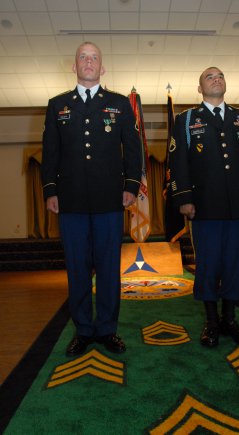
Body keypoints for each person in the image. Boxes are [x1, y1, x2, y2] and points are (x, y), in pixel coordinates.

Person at [41, 42, 142, 356]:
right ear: (74, 66)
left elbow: (134, 148)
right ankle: (84, 330)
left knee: (110, 268)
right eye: (82, 57)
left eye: (94, 57)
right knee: (77, 268)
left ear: (103, 68)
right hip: (69, 203)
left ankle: (108, 330)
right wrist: (50, 190)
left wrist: (130, 185)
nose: (88, 61)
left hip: (108, 201)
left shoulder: (119, 104)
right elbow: (50, 153)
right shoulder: (57, 104)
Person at [168, 67, 239, 347]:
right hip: (204, 207)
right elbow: (178, 163)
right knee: (209, 265)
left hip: (237, 206)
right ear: (200, 89)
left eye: (220, 75)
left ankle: (230, 320)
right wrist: (183, 198)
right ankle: (211, 322)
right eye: (209, 77)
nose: (216, 79)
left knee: (236, 265)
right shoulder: (186, 120)